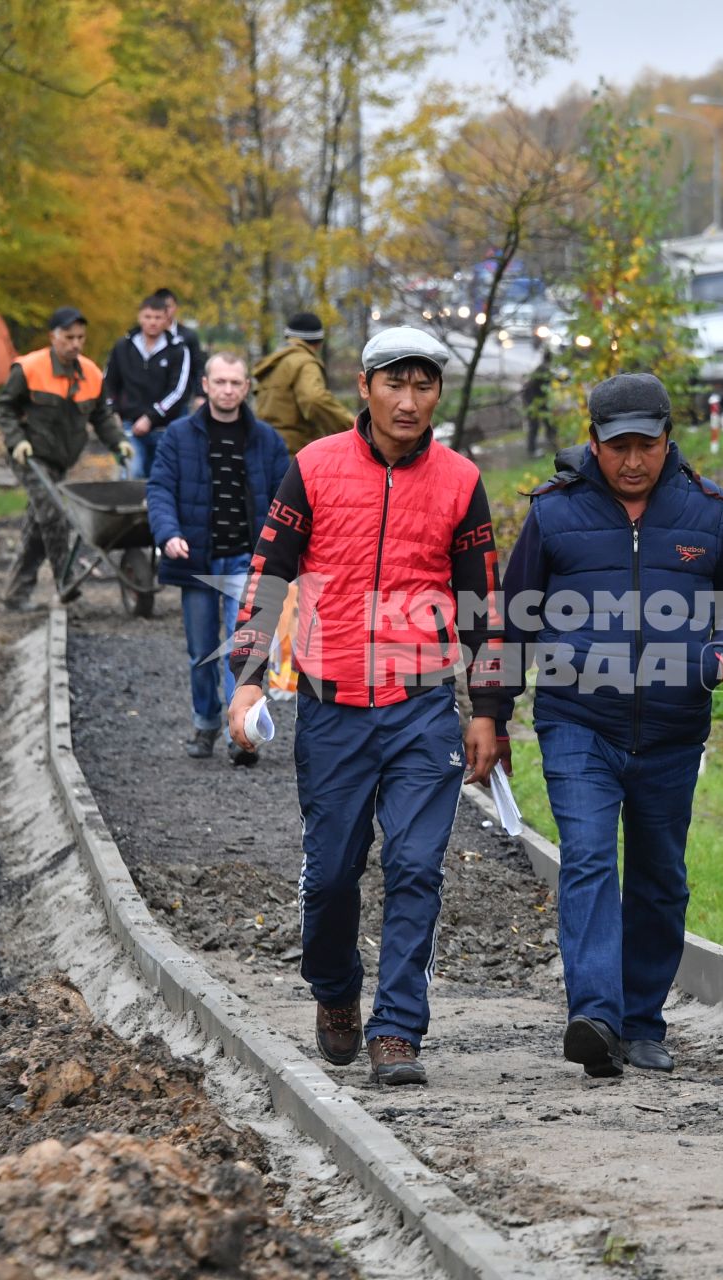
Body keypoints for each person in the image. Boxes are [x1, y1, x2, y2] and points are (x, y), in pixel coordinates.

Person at [226, 326, 505, 1088]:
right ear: (363, 386)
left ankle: (397, 1029)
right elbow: (269, 575)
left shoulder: (459, 481)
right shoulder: (312, 469)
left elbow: (484, 602)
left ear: (438, 394)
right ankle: (336, 989)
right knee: (331, 876)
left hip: (420, 707)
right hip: (333, 705)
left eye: (423, 386)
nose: (409, 401)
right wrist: (249, 677)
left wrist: (489, 707)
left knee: (417, 866)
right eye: (395, 384)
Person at [499, 372, 723, 1078]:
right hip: (578, 719)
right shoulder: (555, 514)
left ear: (668, 439)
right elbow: (513, 616)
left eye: (647, 445)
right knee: (587, 859)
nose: (634, 460)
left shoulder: (705, 513)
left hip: (673, 729)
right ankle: (595, 1015)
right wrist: (492, 713)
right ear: (594, 443)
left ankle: (643, 1021)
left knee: (660, 878)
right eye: (619, 448)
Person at [147, 352, 290, 763]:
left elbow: (287, 497)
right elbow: (159, 489)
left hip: (247, 561)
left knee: (240, 649)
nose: (228, 389)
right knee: (200, 651)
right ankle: (205, 723)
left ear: (246, 388)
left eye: (236, 383)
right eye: (220, 382)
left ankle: (239, 732)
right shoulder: (178, 436)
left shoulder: (266, 439)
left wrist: (284, 552)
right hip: (196, 561)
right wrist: (168, 533)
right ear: (206, 386)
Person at [0, 306, 133, 611]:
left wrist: (118, 442)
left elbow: (101, 416)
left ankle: (15, 593)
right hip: (30, 456)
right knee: (53, 513)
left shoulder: (92, 374)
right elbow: (4, 408)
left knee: (39, 521)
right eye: (69, 337)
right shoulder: (29, 369)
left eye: (80, 337)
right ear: (53, 337)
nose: (75, 344)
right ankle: (65, 581)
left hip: (60, 459)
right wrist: (17, 441)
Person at [104, 294, 194, 481]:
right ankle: (128, 511)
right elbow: (109, 382)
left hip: (165, 428)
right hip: (130, 425)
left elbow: (178, 391)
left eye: (157, 317)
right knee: (132, 472)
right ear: (139, 317)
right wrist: (111, 411)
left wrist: (151, 417)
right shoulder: (123, 346)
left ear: (166, 319)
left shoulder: (177, 350)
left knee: (161, 478)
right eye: (148, 317)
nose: (152, 322)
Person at [252, 312, 356, 454]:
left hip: (267, 449)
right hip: (294, 453)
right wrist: (354, 426)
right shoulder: (305, 363)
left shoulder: (273, 364)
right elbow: (314, 399)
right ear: (319, 343)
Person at [155, 286, 207, 411]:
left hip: (180, 400)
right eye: (160, 306)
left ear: (175, 307)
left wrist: (200, 394)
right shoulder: (143, 338)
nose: (165, 311)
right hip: (150, 401)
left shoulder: (187, 336)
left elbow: (198, 366)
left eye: (168, 306)